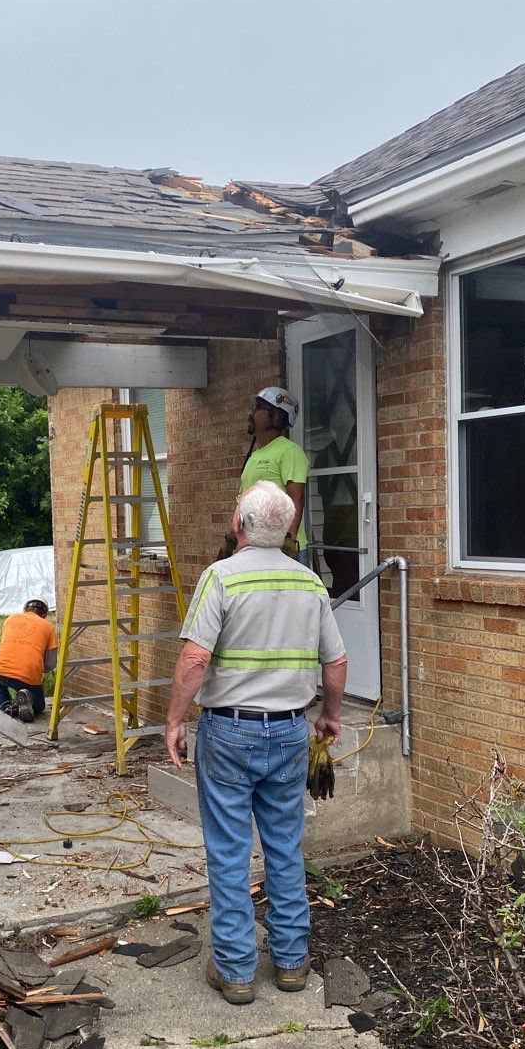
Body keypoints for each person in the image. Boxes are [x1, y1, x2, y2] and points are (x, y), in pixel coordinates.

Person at [165, 480, 347, 1005]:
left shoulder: (221, 577)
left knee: (228, 851)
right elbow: (335, 661)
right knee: (284, 846)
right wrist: (330, 715)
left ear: (240, 525)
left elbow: (196, 659)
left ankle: (237, 970)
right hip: (290, 730)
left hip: (228, 730)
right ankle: (291, 963)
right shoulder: (310, 583)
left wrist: (175, 719)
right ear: (290, 529)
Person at [220, 387, 310, 564]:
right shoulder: (255, 456)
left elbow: (296, 498)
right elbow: (243, 504)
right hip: (254, 548)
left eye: (258, 408)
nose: (251, 413)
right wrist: (230, 541)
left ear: (276, 417)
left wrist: (289, 542)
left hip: (281, 550)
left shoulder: (290, 451)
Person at [0, 598, 58, 722]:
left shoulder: (10, 619)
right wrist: (37, 667)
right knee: (39, 706)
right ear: (45, 614)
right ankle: (21, 703)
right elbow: (51, 664)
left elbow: (5, 646)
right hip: (27, 677)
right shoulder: (48, 627)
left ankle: (4, 704)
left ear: (25, 610)